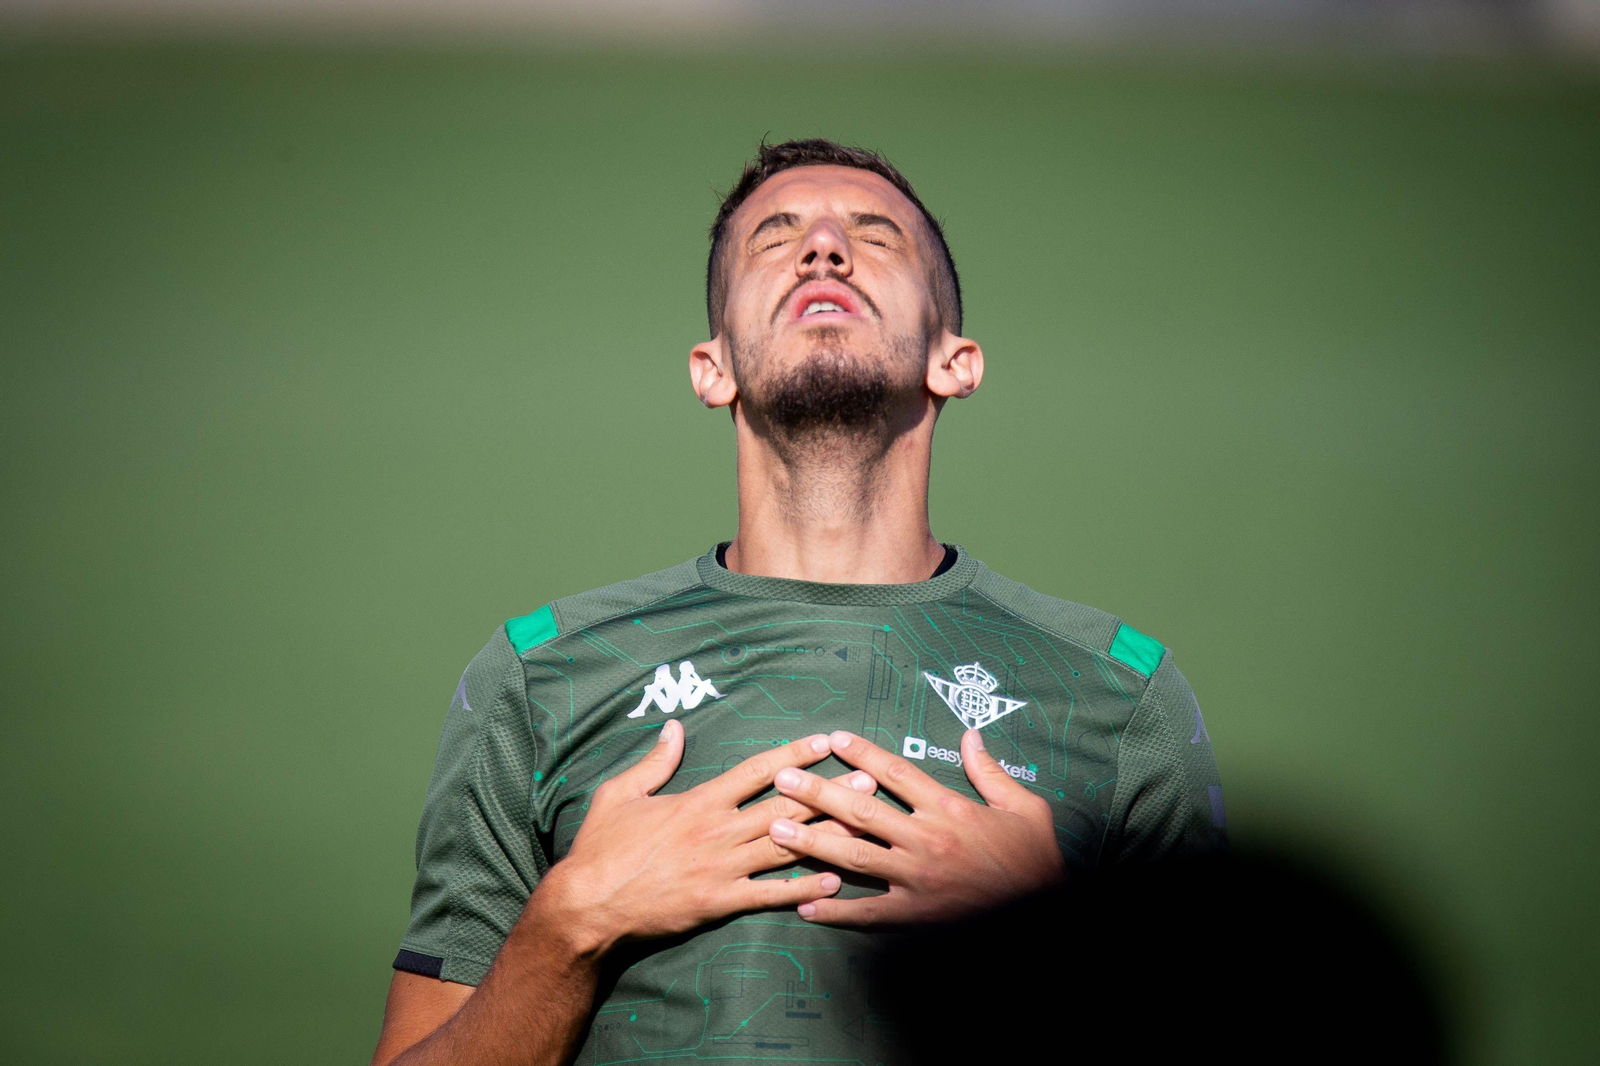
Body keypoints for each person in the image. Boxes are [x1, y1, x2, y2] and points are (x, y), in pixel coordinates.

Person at [370, 139, 1227, 1066]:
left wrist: (1050, 932)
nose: (823, 248)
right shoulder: (542, 678)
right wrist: (570, 922)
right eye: (775, 241)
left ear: (957, 361)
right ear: (713, 368)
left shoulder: (1124, 697)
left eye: (874, 236)